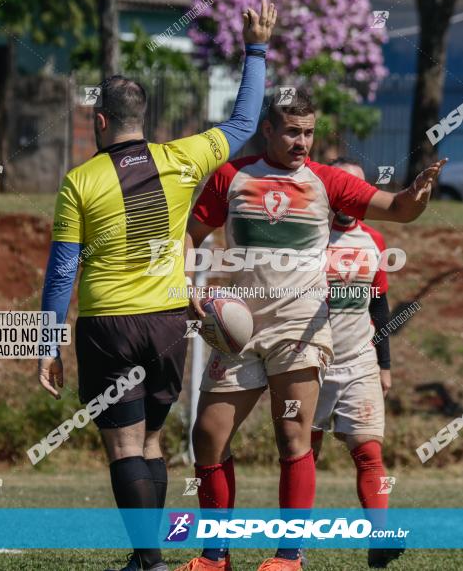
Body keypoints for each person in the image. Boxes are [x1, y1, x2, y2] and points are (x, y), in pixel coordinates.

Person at [37, 1, 277, 571]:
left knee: (123, 446)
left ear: (99, 121)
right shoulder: (182, 157)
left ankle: (149, 560)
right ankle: (149, 557)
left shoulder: (80, 180)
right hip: (171, 324)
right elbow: (244, 124)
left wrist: (46, 343)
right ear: (142, 116)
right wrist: (257, 48)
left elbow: (63, 271)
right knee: (151, 443)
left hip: (109, 327)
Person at [177, 89, 447, 571]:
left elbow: (398, 208)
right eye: (292, 131)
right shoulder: (231, 177)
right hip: (238, 327)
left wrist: (417, 196)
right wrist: (183, 283)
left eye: (309, 132)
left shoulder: (327, 181)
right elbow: (190, 235)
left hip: (301, 328)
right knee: (208, 435)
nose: (302, 142)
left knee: (292, 436)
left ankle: (288, 555)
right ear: (268, 130)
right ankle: (215, 555)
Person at [310, 158, 403, 568]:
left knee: (369, 452)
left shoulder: (374, 241)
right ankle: (292, 551)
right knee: (301, 457)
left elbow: (379, 306)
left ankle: (379, 537)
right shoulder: (306, 239)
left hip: (360, 360)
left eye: (358, 187)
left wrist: (384, 364)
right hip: (308, 362)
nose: (350, 195)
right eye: (342, 186)